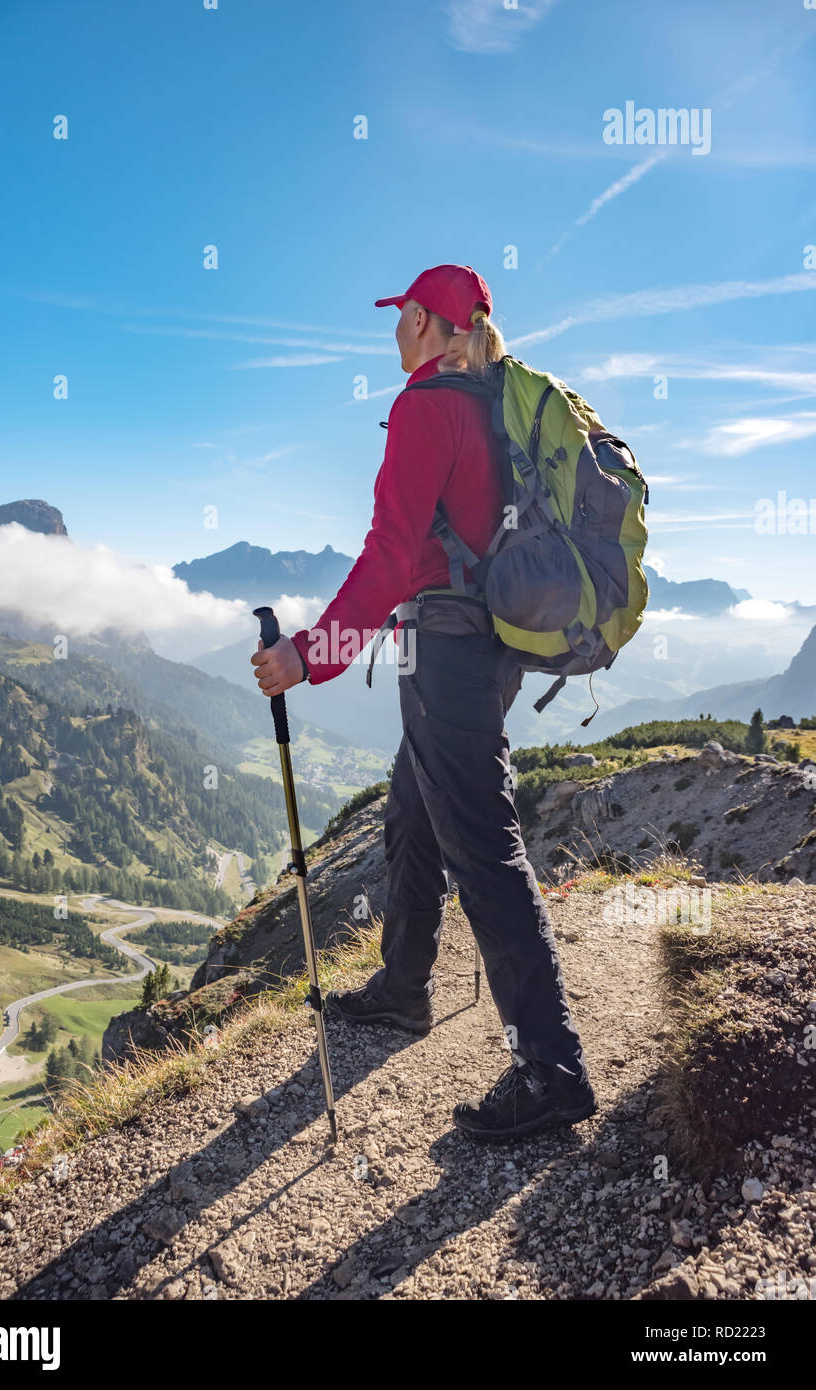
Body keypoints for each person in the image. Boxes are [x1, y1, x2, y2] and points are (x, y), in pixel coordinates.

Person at [251, 264, 595, 1142]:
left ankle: (549, 1068)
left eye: (403, 312)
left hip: (443, 648)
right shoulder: (493, 403)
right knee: (412, 811)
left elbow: (390, 556)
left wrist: (308, 655)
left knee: (480, 846)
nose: (393, 326)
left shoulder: (424, 407)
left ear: (433, 325)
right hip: (494, 646)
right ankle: (404, 987)